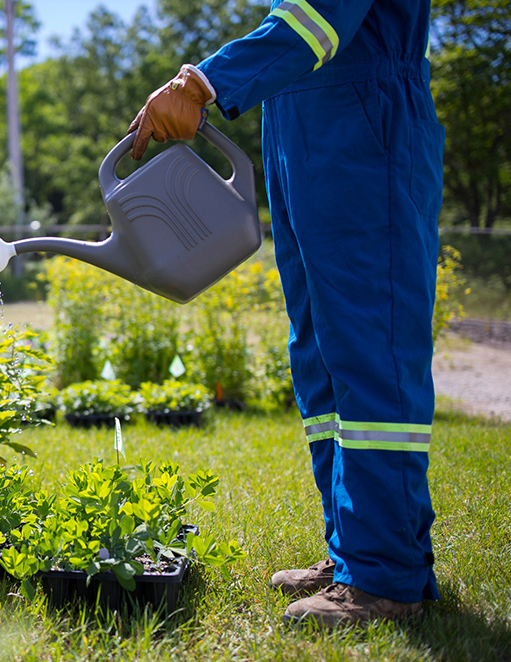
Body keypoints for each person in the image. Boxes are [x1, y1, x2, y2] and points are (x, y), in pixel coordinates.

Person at [127, 0, 443, 627]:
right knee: (322, 355)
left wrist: (200, 82)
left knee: (368, 346)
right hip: (304, 128)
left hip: (363, 125)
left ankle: (385, 574)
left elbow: (317, 20)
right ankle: (353, 552)